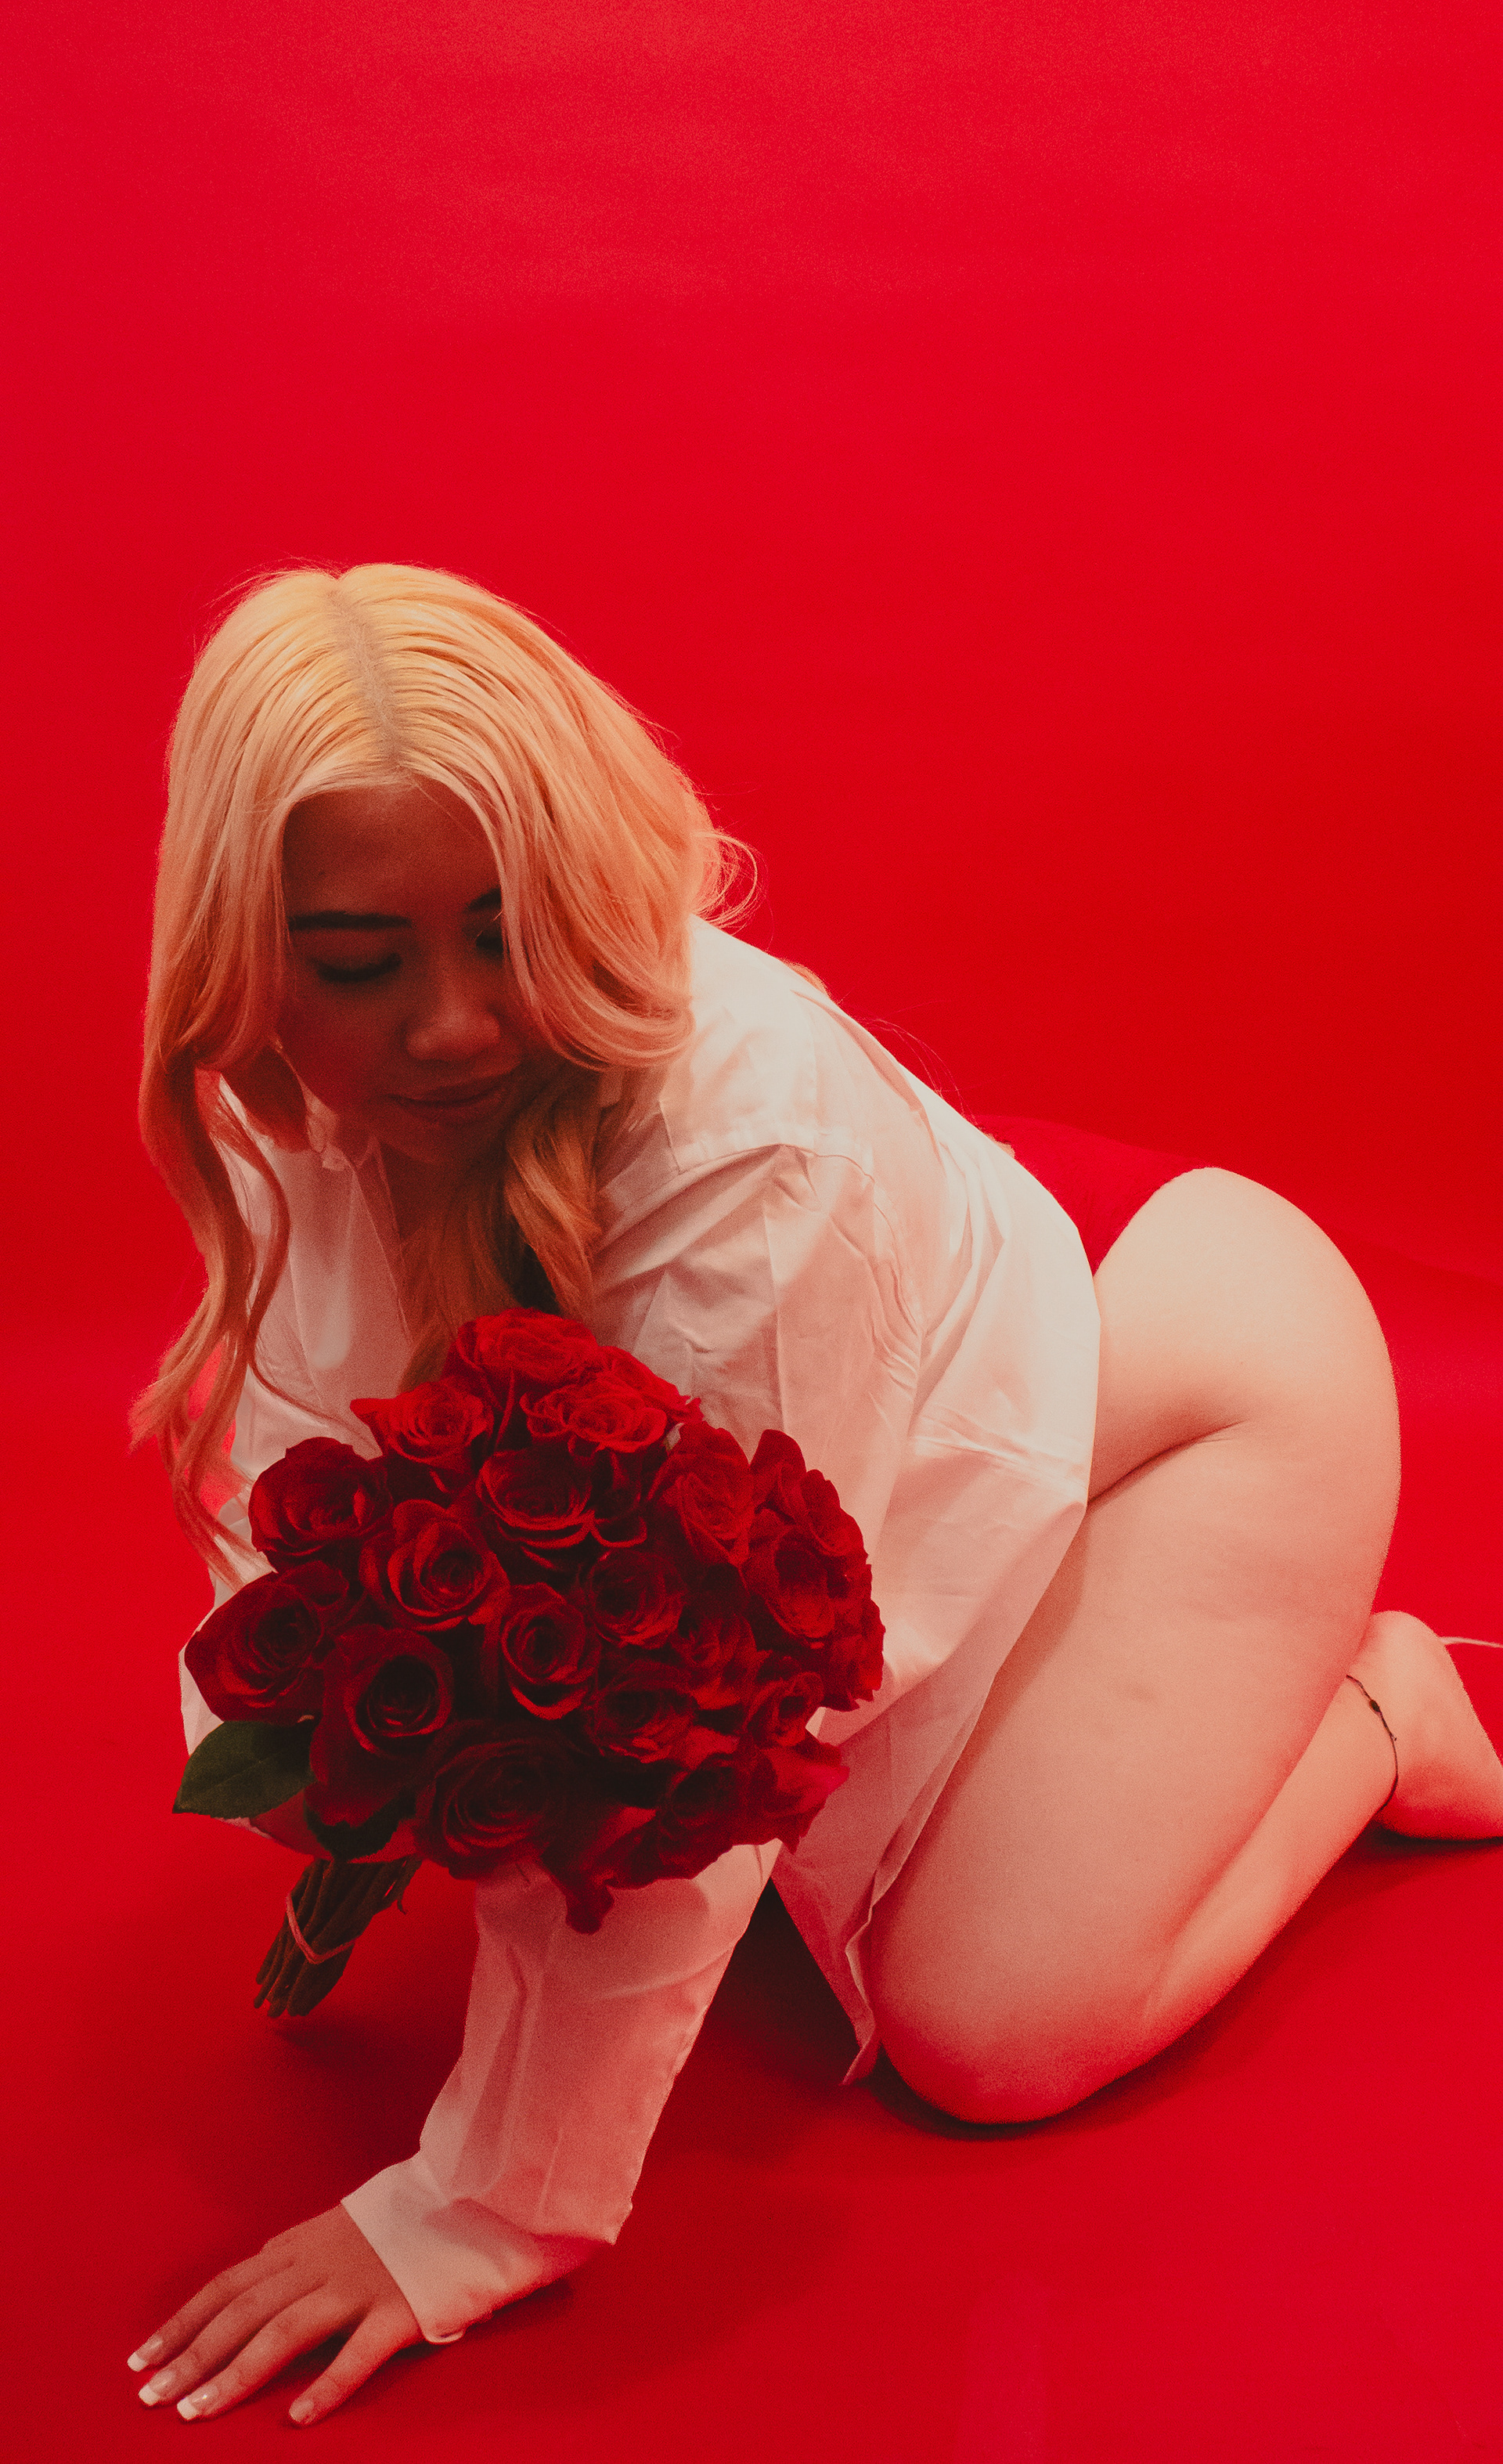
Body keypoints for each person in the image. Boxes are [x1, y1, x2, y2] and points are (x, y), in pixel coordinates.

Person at [125, 563, 1503, 2429]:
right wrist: (326, 1769)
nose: (449, 1025)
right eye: (360, 962)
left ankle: (1382, 1699)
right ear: (251, 949)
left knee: (993, 2032)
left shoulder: (749, 1132)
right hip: (923, 1441)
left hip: (1184, 1400)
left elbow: (690, 1689)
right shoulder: (276, 1084)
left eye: (510, 932)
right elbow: (305, 1466)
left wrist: (479, 2204)